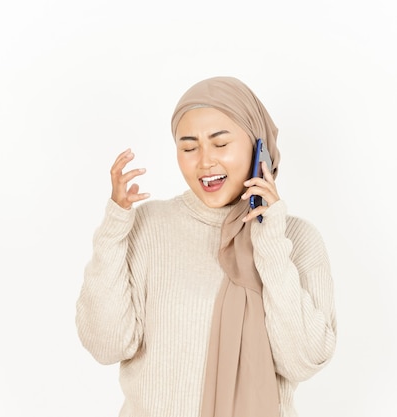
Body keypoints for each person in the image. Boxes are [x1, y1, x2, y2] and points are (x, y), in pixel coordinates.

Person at [75, 76, 336, 417]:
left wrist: (270, 239)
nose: (204, 161)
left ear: (259, 148)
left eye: (220, 143)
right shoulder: (147, 226)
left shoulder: (297, 239)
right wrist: (113, 230)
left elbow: (304, 359)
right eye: (188, 147)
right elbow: (107, 345)